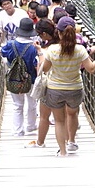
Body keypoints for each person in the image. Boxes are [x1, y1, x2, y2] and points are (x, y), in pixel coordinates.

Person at [41, 16, 95, 156]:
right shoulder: (80, 49)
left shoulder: (52, 49)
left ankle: (62, 151)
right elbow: (91, 69)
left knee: (59, 121)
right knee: (72, 114)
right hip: (75, 88)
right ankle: (71, 141)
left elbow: (45, 69)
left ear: (59, 33)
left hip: (55, 89)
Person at [0, 18, 41, 136]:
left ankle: (18, 131)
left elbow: (2, 52)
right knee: (32, 103)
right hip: (30, 78)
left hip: (14, 78)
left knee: (17, 105)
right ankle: (31, 126)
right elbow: (36, 64)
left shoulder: (11, 44)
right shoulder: (33, 48)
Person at [26, 19, 58, 149]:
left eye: (39, 34)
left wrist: (39, 51)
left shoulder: (47, 50)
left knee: (44, 116)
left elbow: (41, 69)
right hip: (67, 84)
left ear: (44, 34)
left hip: (49, 85)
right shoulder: (63, 45)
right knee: (62, 119)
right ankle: (67, 142)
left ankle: (40, 142)